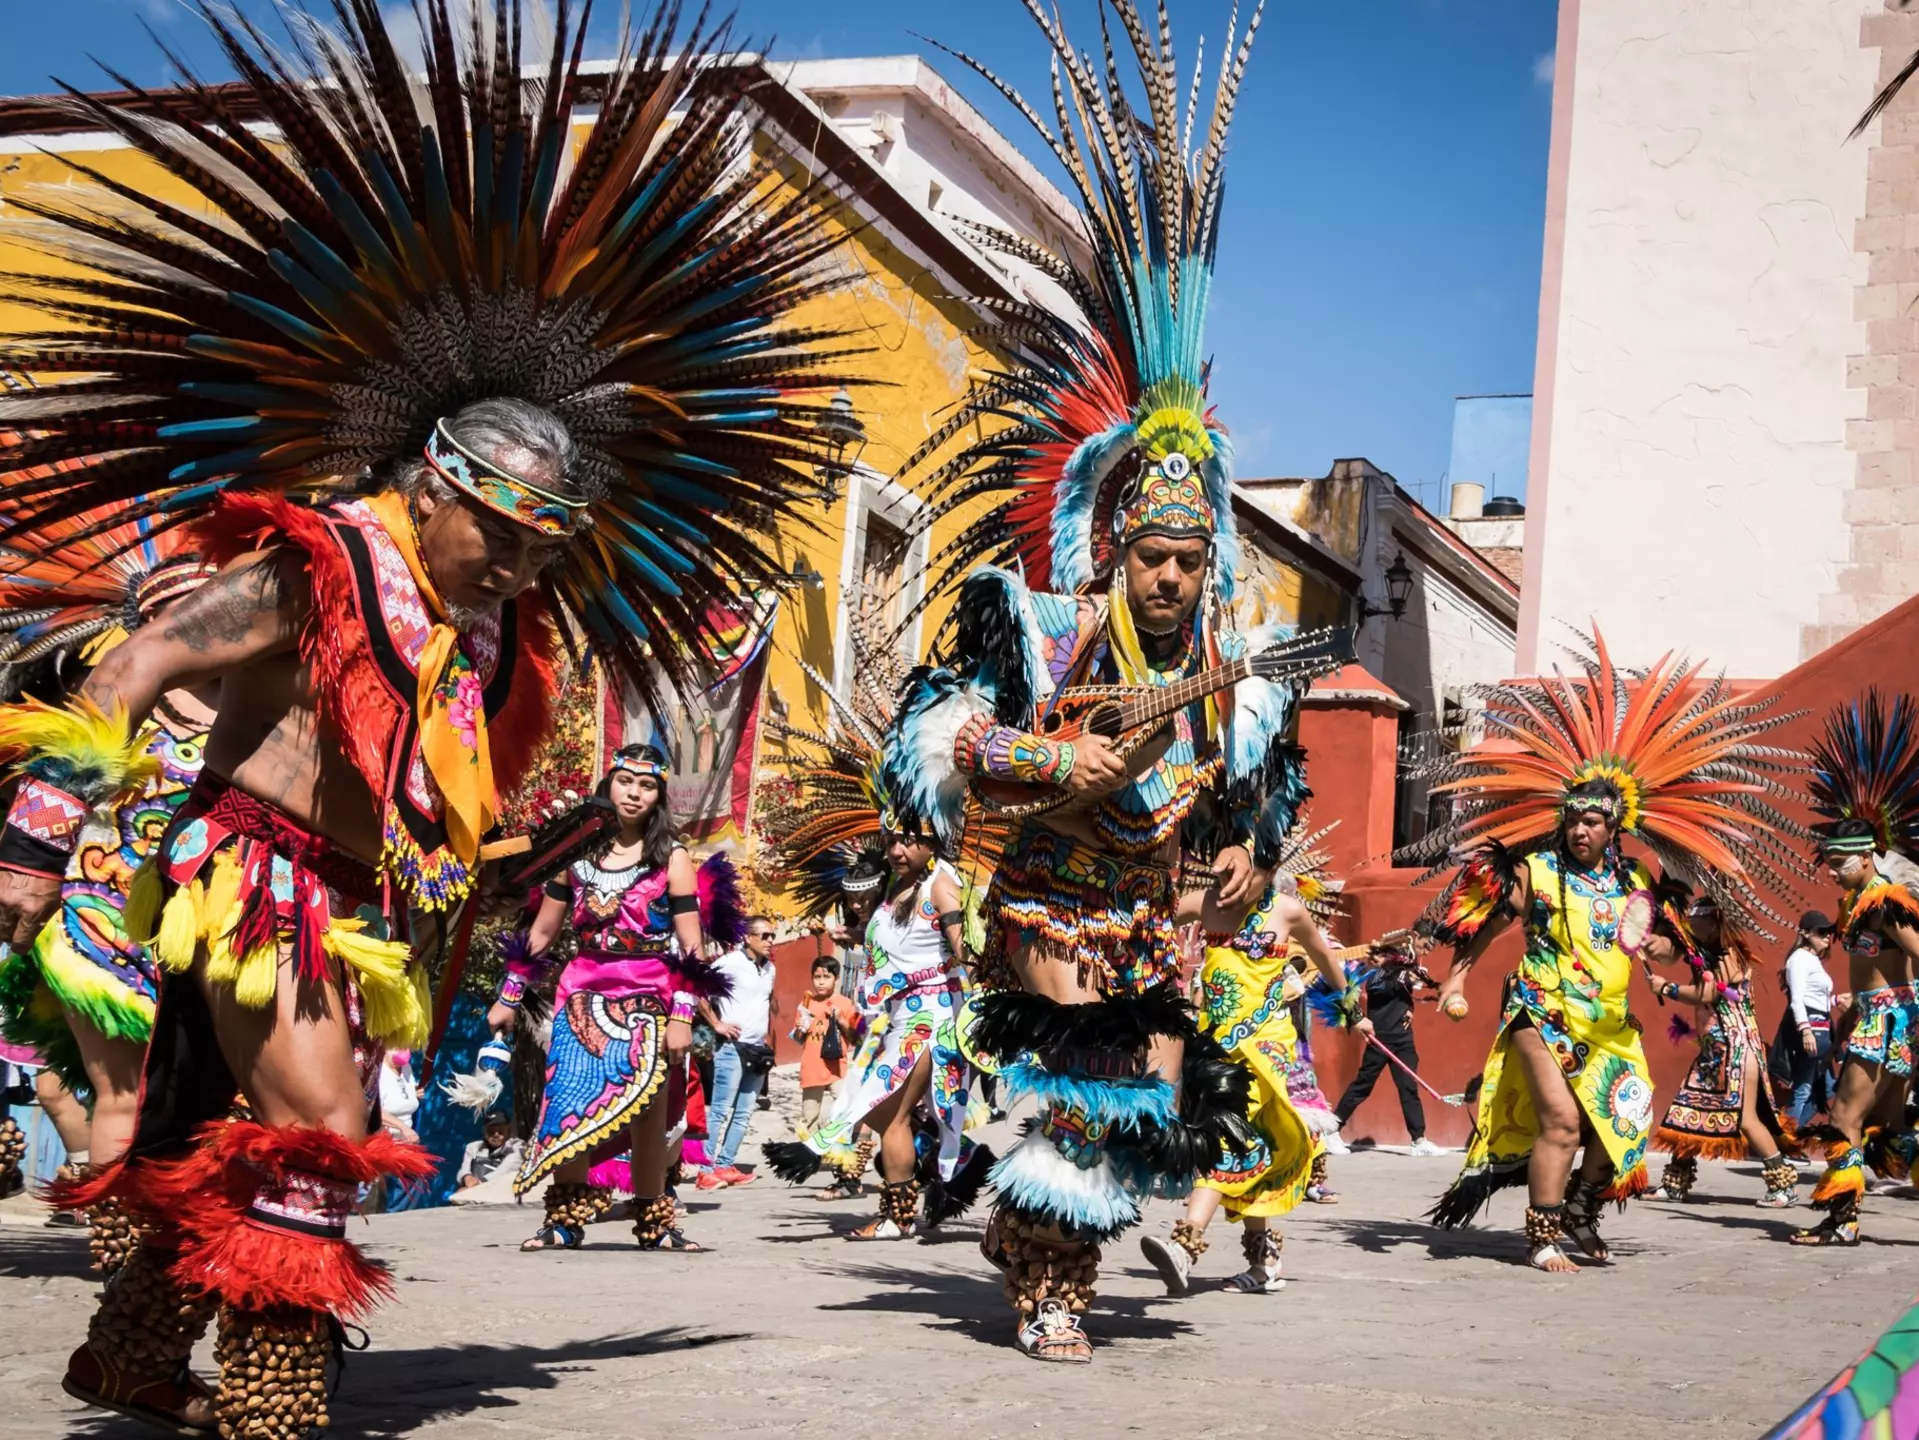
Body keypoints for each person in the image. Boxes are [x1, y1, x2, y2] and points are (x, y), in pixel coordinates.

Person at [0, 4, 855, 1430]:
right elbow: (140, 662)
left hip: (356, 907)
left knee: (244, 1132)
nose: (523, 569)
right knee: (322, 1141)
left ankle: (134, 1349)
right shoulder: (321, 564)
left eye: (548, 550)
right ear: (441, 486)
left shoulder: (479, 628)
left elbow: (425, 788)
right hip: (249, 883)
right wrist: (33, 845)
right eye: (506, 534)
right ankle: (273, 1408)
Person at [882, 1, 1338, 1362]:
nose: (1171, 577)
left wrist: (1247, 873)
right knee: (1083, 1085)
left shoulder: (1235, 679)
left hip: (1149, 914)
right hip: (1041, 890)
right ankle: (1052, 1288)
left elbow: (1254, 817)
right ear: (1112, 539)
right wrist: (1048, 763)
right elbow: (934, 729)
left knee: (1144, 1102)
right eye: (1152, 552)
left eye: (1191, 559)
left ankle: (1028, 1235)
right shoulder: (1033, 627)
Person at [1405, 630, 1803, 1274]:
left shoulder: (1636, 883)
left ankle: (1582, 1208)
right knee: (1561, 1119)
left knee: (1623, 1123)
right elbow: (1487, 927)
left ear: (1615, 826)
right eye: (1574, 818)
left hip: (1610, 1023)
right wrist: (1456, 981)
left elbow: (1667, 953)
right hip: (1544, 1012)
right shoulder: (1537, 871)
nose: (1581, 828)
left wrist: (1658, 946)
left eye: (1593, 821)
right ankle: (1542, 1234)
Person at [0, 549, 216, 1268]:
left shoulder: (261, 705)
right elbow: (48, 800)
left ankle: (198, 1244)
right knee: (124, 1092)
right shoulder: (118, 701)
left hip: (217, 935)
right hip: (103, 929)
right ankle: (127, 1256)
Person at [481, 744, 738, 1252]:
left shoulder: (674, 857)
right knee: (566, 1102)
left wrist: (685, 1017)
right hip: (580, 992)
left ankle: (655, 1221)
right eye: (625, 781)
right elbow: (542, 933)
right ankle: (565, 1218)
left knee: (648, 1107)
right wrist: (509, 996)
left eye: (646, 786)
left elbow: (692, 945)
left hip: (649, 994)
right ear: (609, 785)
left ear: (660, 795)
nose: (634, 793)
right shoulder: (573, 853)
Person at [1141, 823, 1358, 1295]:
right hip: (1214, 1051)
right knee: (1248, 1149)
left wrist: (1353, 1011)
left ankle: (1185, 1243)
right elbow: (1146, 922)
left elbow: (1325, 959)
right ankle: (1264, 1264)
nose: (1232, 880)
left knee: (1225, 1139)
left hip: (1267, 1050)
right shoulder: (1202, 903)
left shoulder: (1288, 912)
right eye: (1224, 870)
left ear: (1270, 870)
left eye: (1246, 871)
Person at [1793, 692, 1919, 1246]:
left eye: (1842, 862)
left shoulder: (1885, 899)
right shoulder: (1857, 903)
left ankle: (1841, 1221)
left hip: (1889, 1021)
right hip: (1881, 1018)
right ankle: (1846, 1215)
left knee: (1845, 1119)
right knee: (1890, 1126)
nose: (1835, 871)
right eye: (1831, 862)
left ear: (1867, 856)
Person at [1644, 890, 1796, 1208]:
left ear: (1714, 924)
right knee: (1685, 1111)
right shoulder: (1708, 957)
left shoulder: (1731, 956)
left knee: (1745, 1119)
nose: (1691, 927)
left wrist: (1667, 988)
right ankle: (1675, 1182)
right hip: (1716, 1050)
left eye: (1697, 922)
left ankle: (1782, 1182)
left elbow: (1708, 993)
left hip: (1736, 1048)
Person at [1332, 930, 1442, 1155]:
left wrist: (1410, 1008)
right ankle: (1331, 1131)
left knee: (1408, 1089)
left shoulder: (1403, 974)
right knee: (1363, 1086)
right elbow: (1403, 982)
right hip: (1380, 1040)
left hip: (1403, 1041)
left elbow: (1411, 987)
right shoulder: (1374, 977)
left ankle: (1419, 1140)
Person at [701, 916, 779, 1188]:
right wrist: (716, 1023)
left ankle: (724, 1165)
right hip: (732, 1048)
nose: (770, 941)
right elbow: (698, 989)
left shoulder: (770, 969)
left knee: (745, 1111)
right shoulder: (729, 963)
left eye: (773, 936)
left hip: (757, 1050)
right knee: (720, 1109)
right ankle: (705, 1168)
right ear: (748, 937)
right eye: (765, 935)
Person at [1782, 910, 1839, 1129]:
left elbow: (1814, 997)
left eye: (1829, 932)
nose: (1827, 936)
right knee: (1804, 1087)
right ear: (1805, 933)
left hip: (1822, 1029)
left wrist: (1833, 1001)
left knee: (1828, 1088)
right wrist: (1805, 1031)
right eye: (1821, 932)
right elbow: (1797, 1000)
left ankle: (1790, 1134)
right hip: (1812, 1031)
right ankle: (1787, 1138)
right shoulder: (1799, 960)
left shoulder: (1812, 960)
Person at [792, 957, 860, 1130]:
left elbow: (855, 1038)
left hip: (837, 1067)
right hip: (812, 1067)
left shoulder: (845, 1003)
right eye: (817, 977)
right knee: (809, 1117)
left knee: (845, 1111)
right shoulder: (806, 1004)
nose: (821, 982)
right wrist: (801, 1027)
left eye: (826, 977)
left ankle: (837, 1151)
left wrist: (841, 1019)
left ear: (836, 979)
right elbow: (799, 1038)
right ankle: (808, 1154)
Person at [457, 1112, 522, 1191]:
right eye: (491, 1131)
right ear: (484, 1132)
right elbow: (464, 1169)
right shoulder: (473, 1147)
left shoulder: (517, 1147)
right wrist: (466, 1177)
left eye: (501, 1130)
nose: (496, 1134)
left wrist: (479, 1184)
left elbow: (505, 1170)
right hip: (473, 1192)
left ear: (508, 1131)